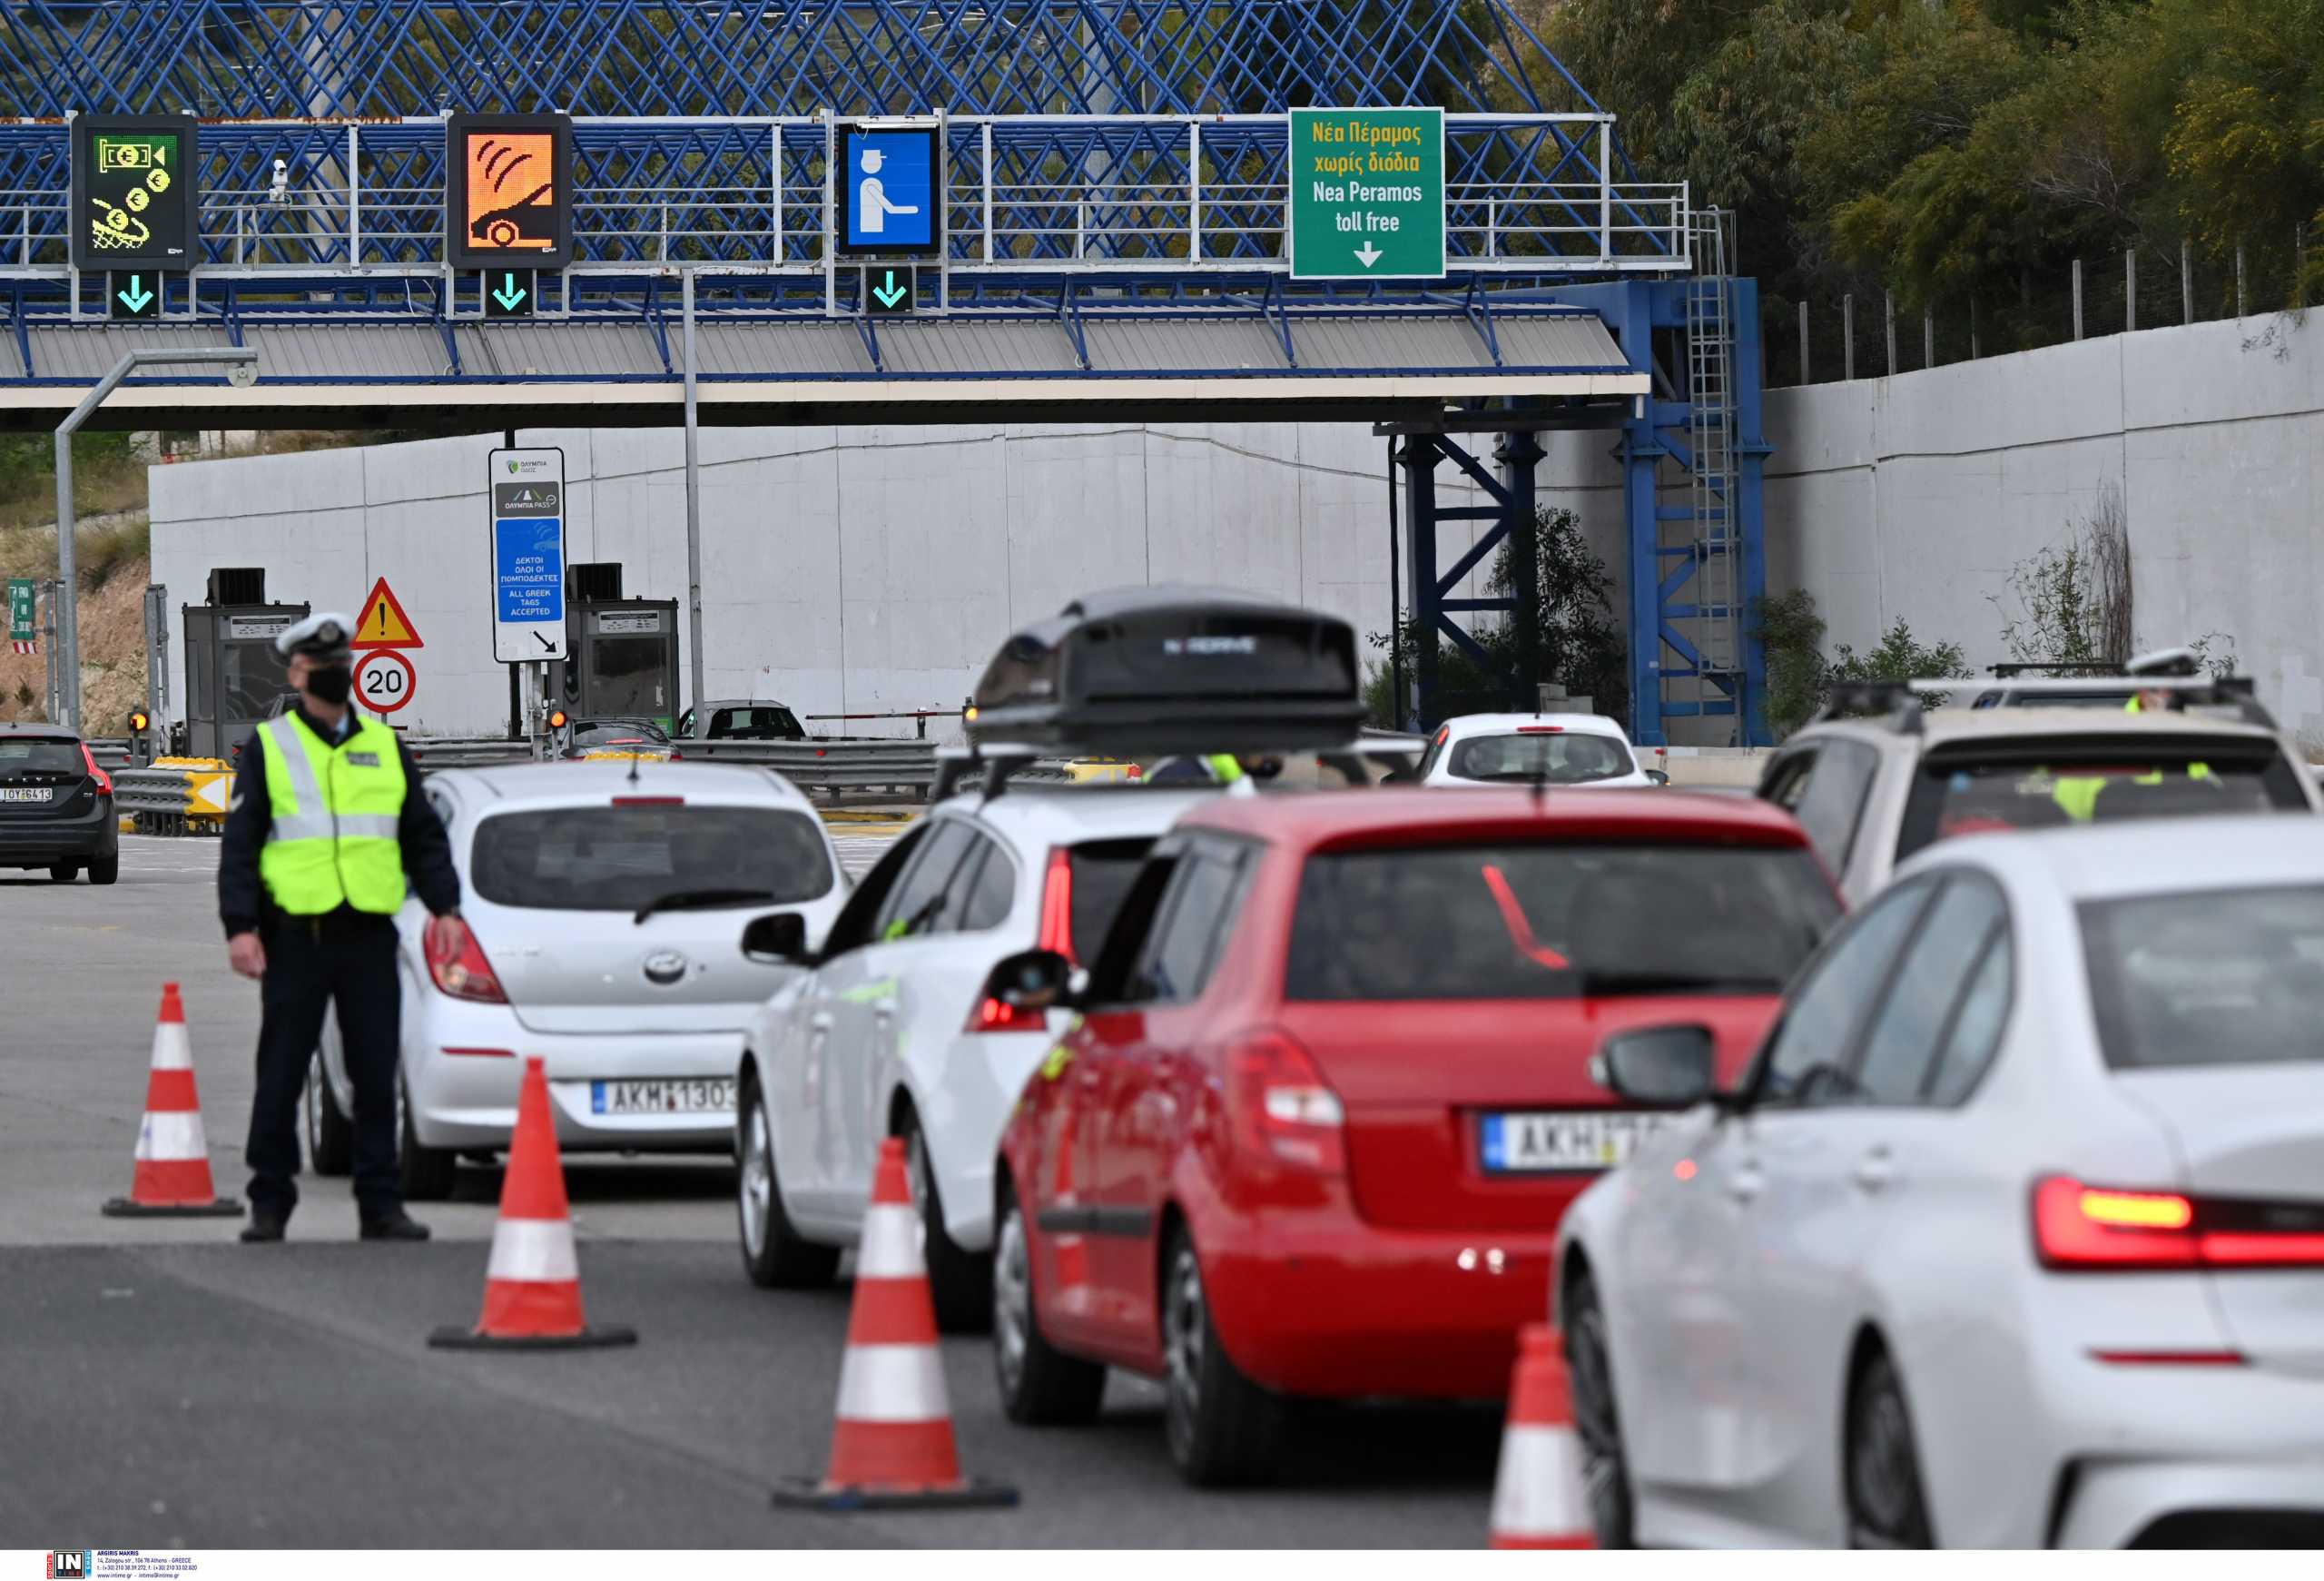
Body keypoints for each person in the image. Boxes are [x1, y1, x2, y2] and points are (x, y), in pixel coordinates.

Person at [217, 612, 467, 1244]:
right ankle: (269, 1201)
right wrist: (240, 927)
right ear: (297, 674)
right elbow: (240, 847)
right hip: (296, 937)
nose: (335, 676)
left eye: (340, 666)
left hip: (368, 936)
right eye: (321, 668)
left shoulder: (384, 747)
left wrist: (447, 909)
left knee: (376, 1073)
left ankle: (381, 1205)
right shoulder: (271, 747)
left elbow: (423, 836)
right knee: (281, 1072)